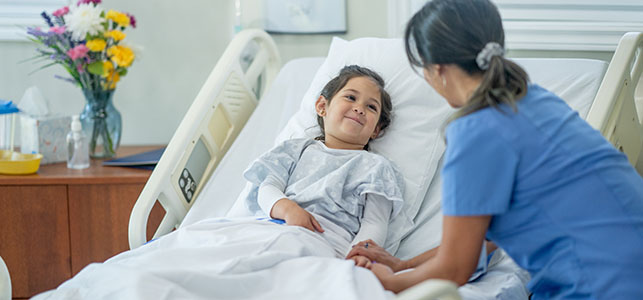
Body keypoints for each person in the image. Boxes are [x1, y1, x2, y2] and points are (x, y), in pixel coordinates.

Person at [347, 0, 643, 298]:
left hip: (604, 286)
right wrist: (403, 265)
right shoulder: (533, 98)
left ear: (437, 69)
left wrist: (386, 282)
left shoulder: (475, 131)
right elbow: (481, 239)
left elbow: (455, 268)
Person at [243, 65, 405, 263]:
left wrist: (360, 255)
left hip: (325, 242)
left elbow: (375, 222)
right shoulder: (296, 150)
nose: (359, 109)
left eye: (371, 107)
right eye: (351, 97)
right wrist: (288, 209)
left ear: (376, 130)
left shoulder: (376, 167)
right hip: (275, 225)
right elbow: (267, 187)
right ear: (322, 106)